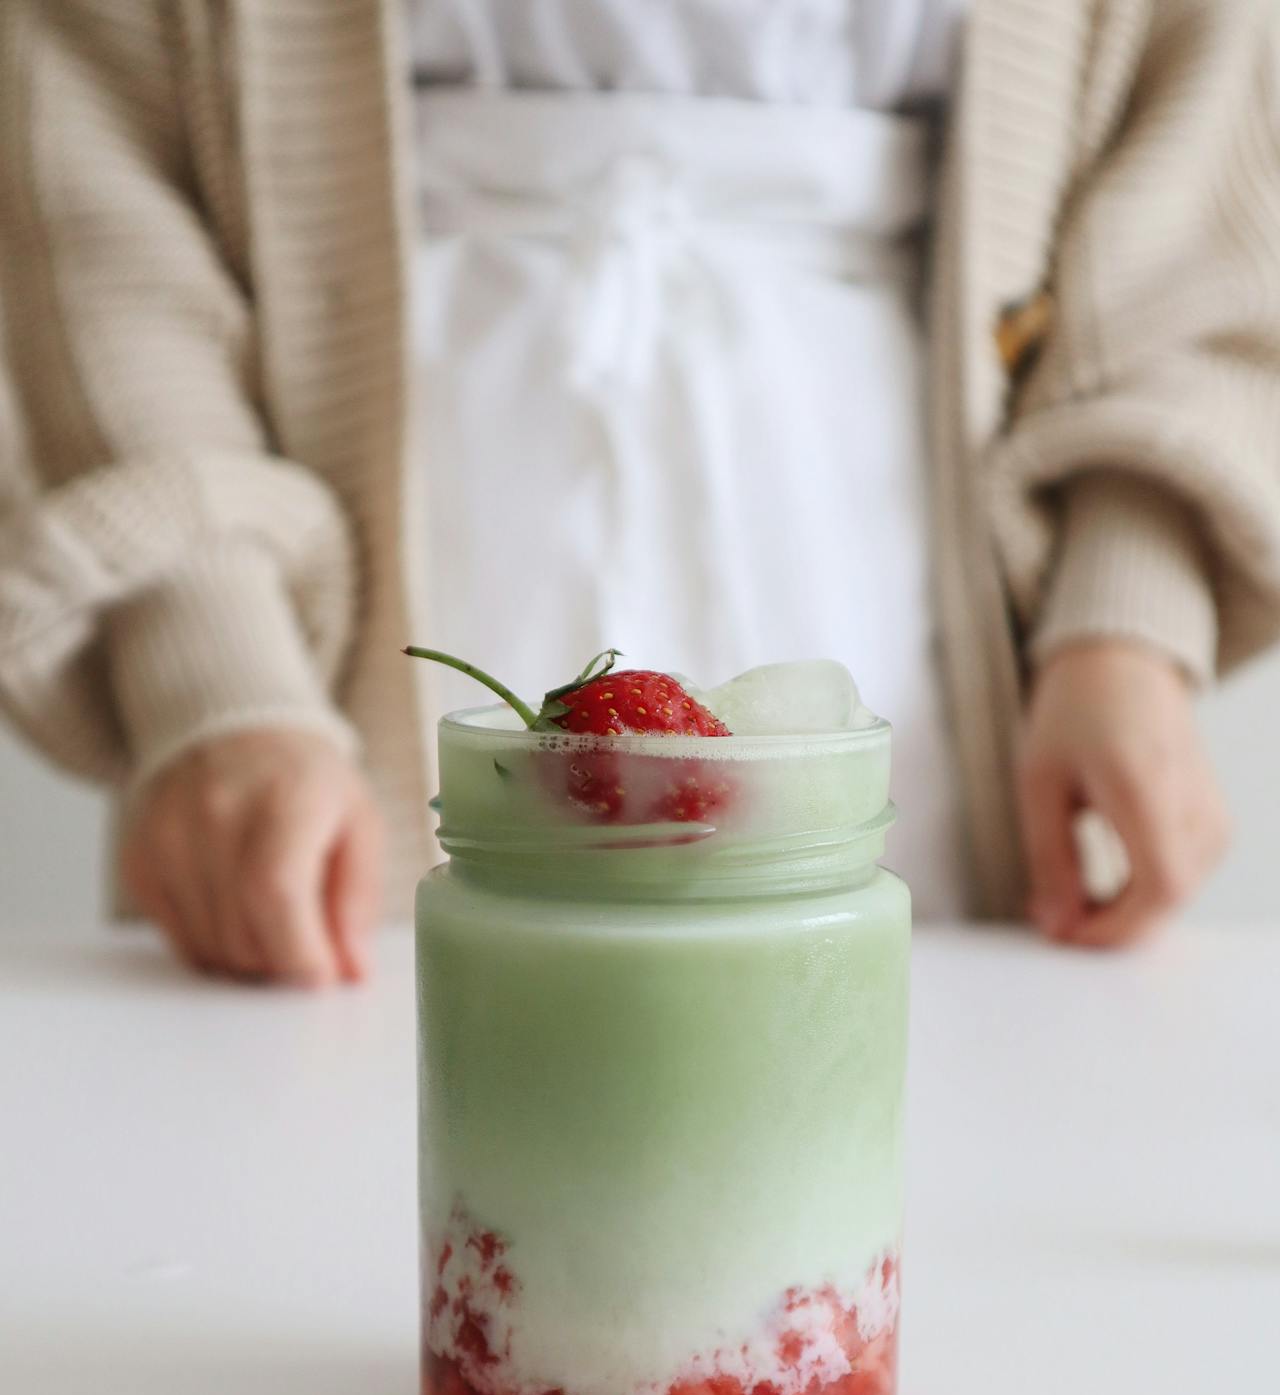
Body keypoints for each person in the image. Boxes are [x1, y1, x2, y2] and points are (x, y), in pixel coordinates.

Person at [1, 0, 1276, 987]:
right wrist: (211, 668)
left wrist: (1122, 615)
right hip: (343, 614)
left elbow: (1196, 135)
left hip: (890, 579)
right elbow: (87, 169)